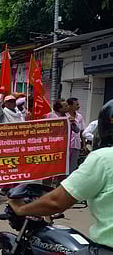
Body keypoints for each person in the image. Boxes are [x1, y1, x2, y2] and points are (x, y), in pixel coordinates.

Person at [10, 99, 113, 249]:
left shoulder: (103, 158)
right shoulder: (50, 116)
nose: (66, 106)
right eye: (64, 104)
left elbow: (56, 202)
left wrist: (20, 209)